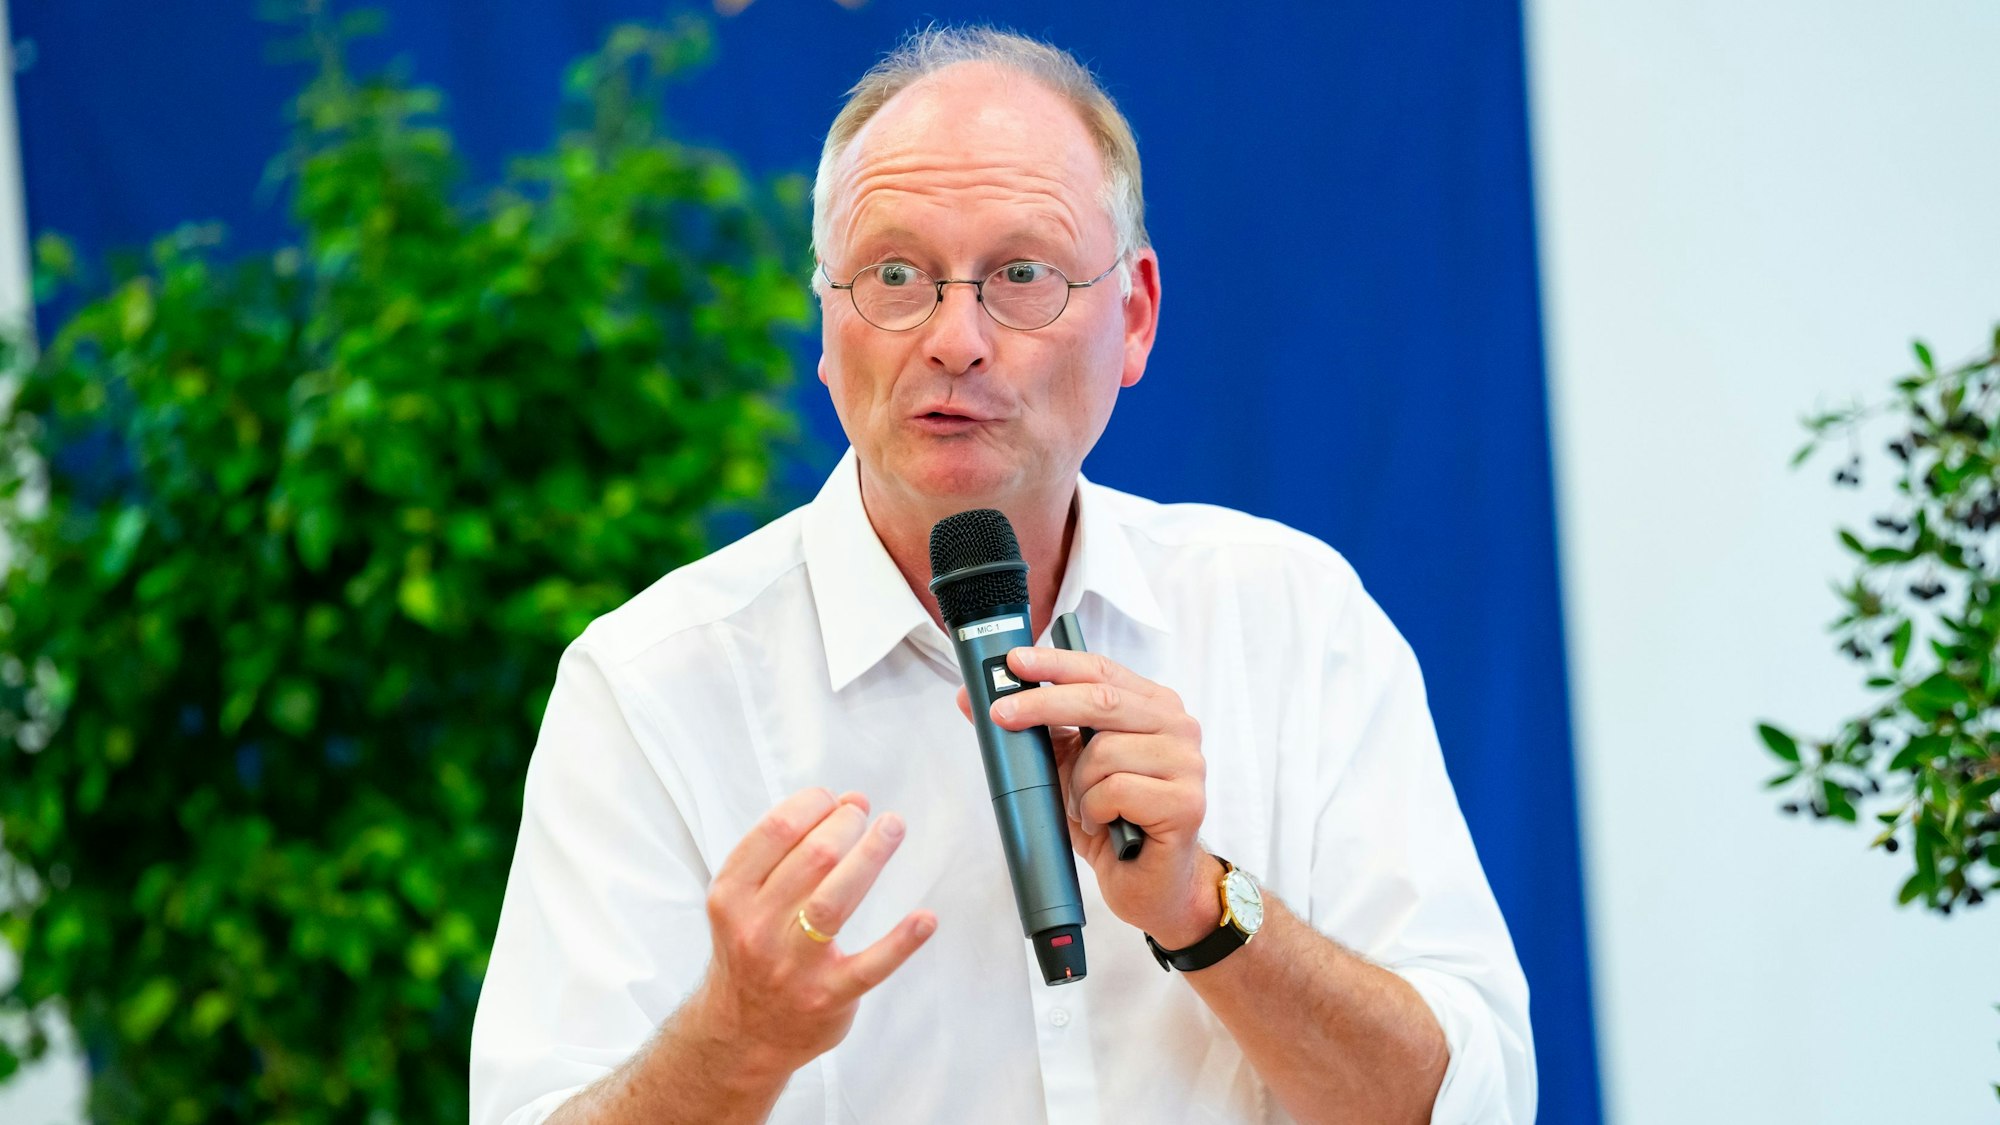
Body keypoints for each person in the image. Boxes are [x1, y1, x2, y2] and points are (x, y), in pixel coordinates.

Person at [470, 26, 1534, 1125]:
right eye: (895, 275)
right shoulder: (651, 685)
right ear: (825, 328)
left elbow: (1470, 1103)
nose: (954, 339)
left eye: (1019, 275)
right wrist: (734, 1041)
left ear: (1133, 316)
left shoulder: (1289, 619)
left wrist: (1203, 908)